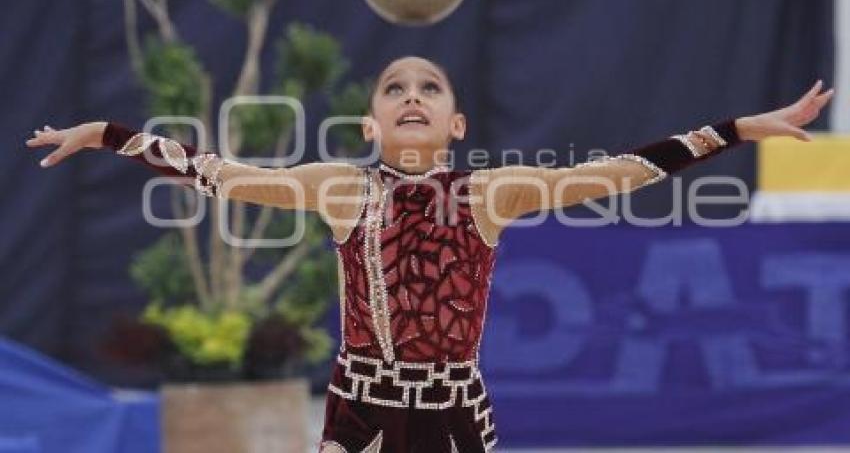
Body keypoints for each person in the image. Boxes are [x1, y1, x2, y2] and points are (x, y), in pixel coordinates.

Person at [26, 56, 834, 452]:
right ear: (371, 126)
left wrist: (733, 129)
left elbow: (615, 173)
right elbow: (220, 175)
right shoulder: (341, 189)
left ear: (456, 127)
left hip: (455, 410)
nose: (412, 93)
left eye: (431, 89)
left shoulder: (490, 194)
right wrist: (107, 135)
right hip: (361, 407)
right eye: (394, 89)